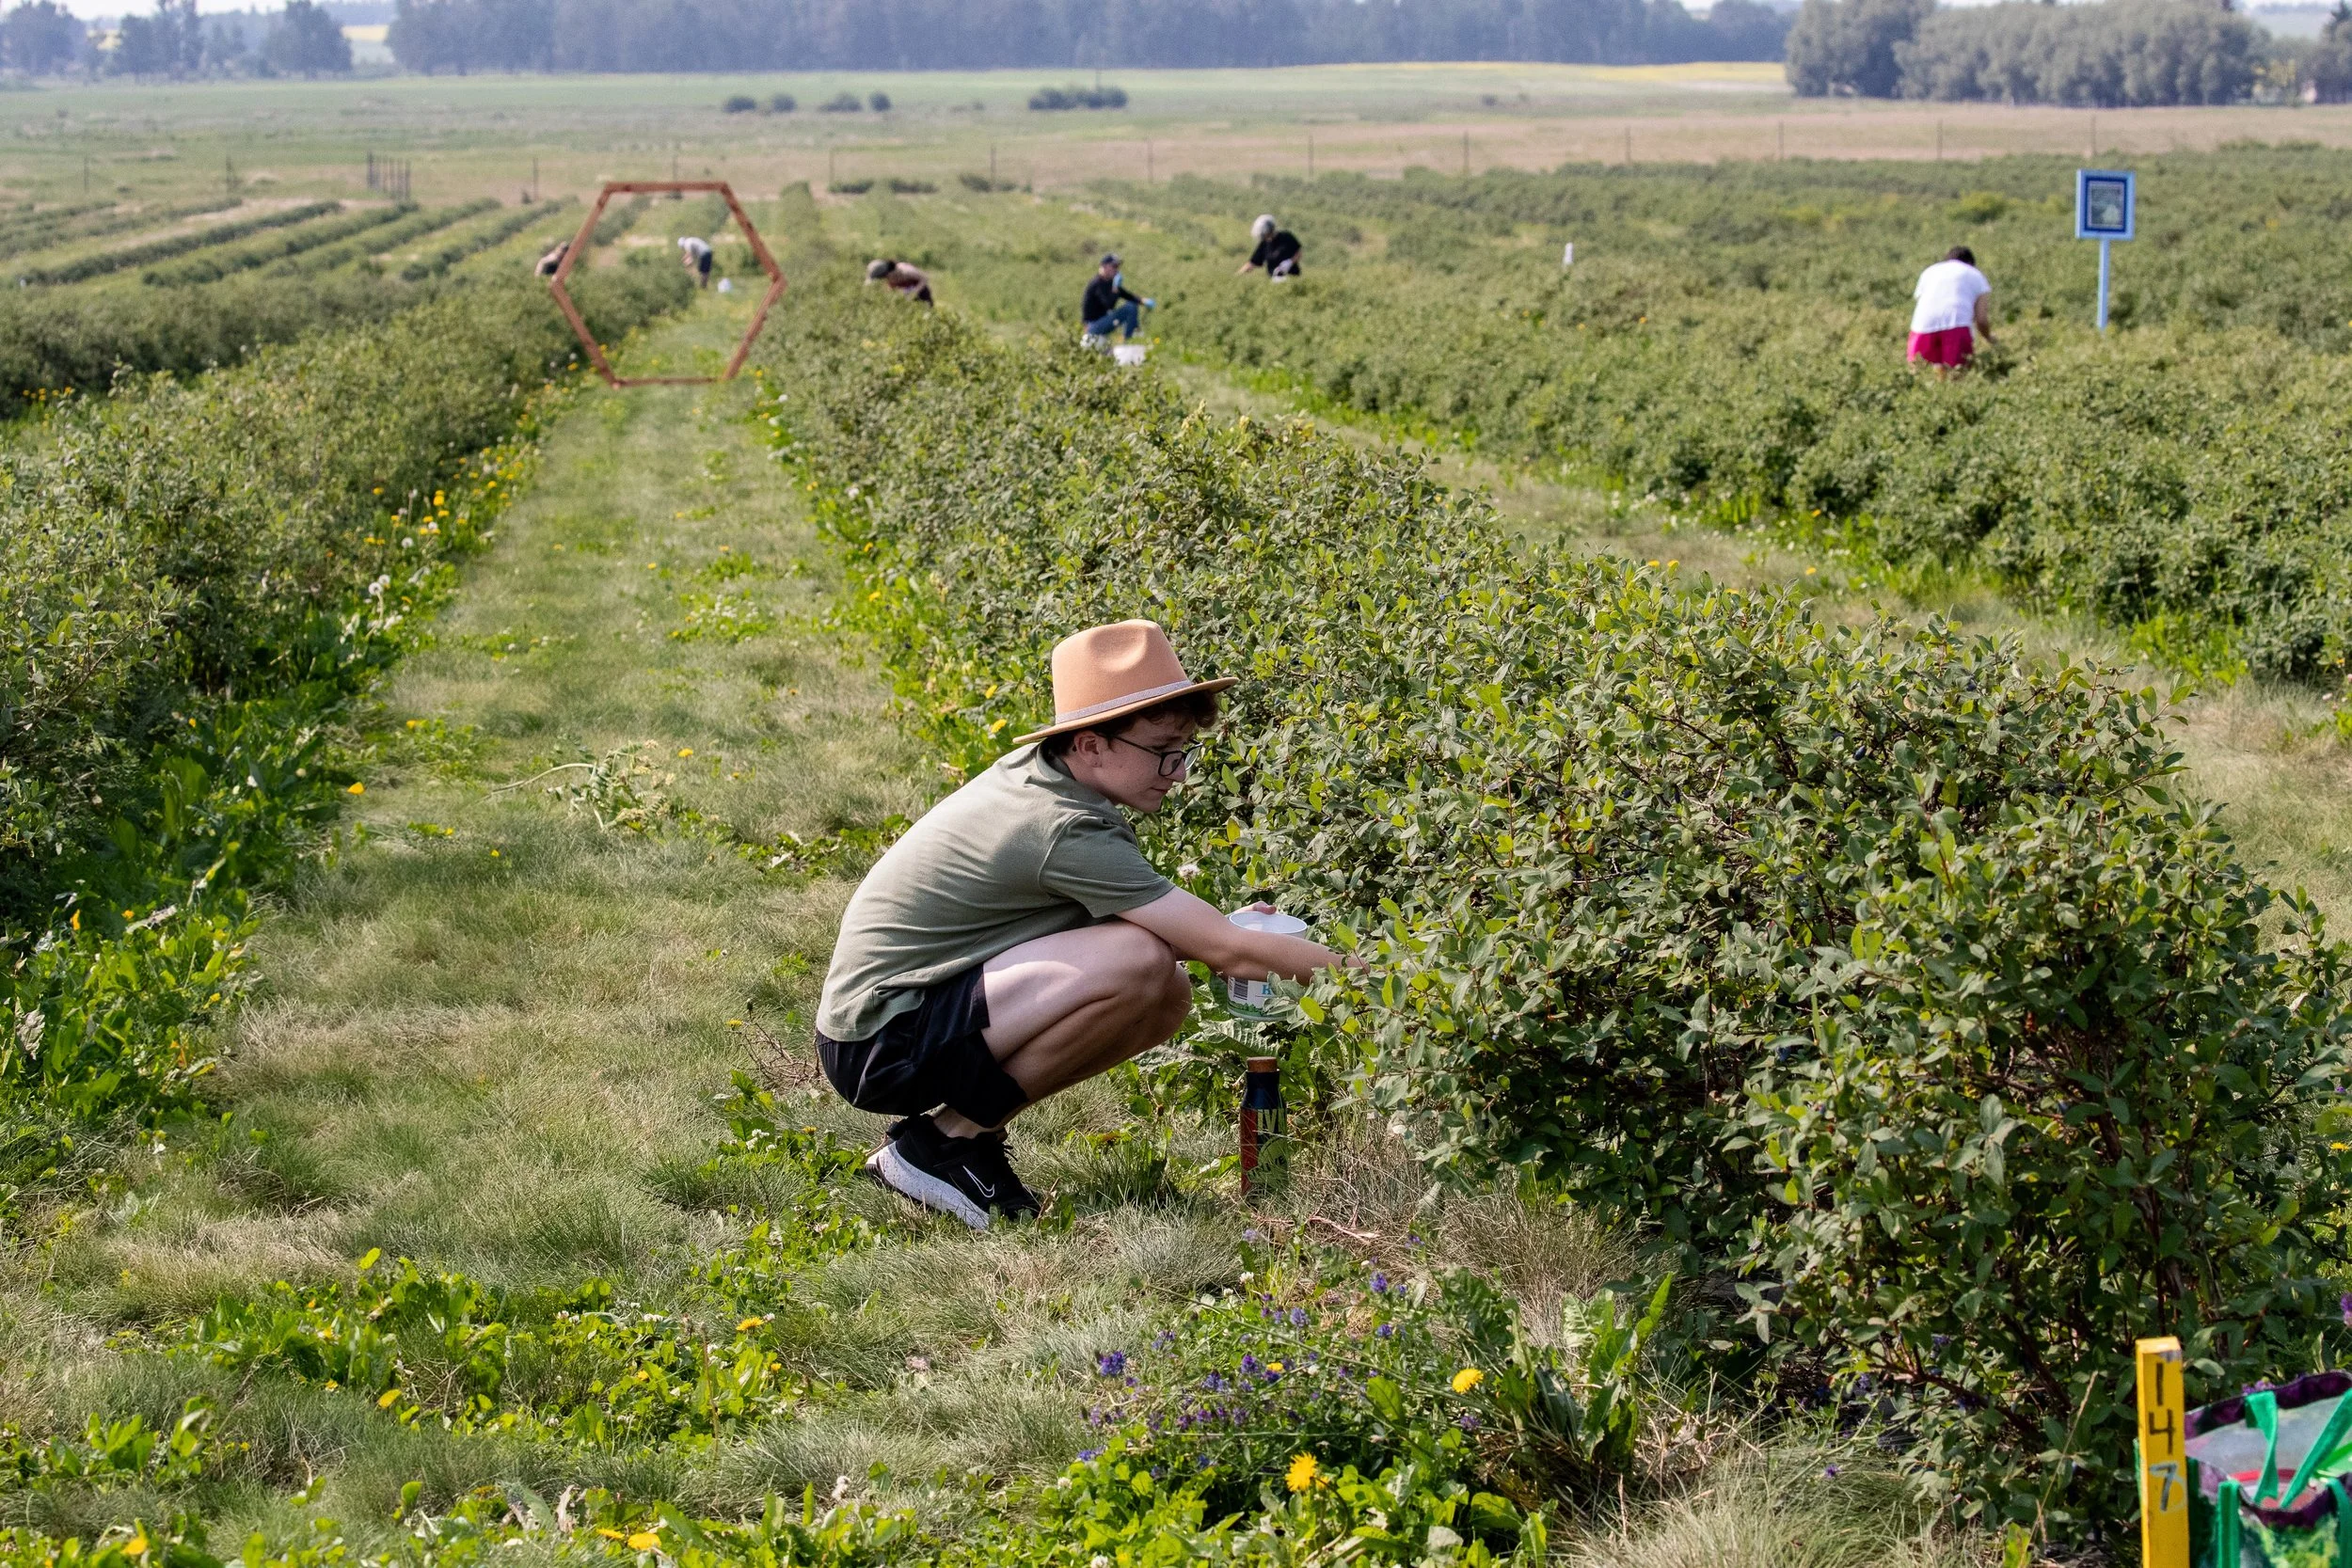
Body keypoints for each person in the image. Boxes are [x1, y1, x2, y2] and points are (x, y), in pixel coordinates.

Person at [813, 619, 1357, 1229]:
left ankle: (961, 1136)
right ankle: (942, 1146)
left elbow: (1188, 933)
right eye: (1163, 749)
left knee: (1166, 991)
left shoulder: (1046, 775)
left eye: (1183, 749)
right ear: (1092, 744)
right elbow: (1228, 952)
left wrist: (1230, 935)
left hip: (902, 1015)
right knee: (1141, 961)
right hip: (880, 1040)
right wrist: (1382, 980)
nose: (1178, 771)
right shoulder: (1063, 825)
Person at [1909, 245, 1995, 374]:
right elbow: (1981, 320)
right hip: (1957, 325)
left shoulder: (1929, 272)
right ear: (1970, 263)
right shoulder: (1976, 275)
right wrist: (1989, 338)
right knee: (1956, 376)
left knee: (1921, 376)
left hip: (1921, 327)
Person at [1080, 252, 1152, 343]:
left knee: (1131, 305)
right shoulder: (1097, 283)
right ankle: (1129, 339)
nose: (1116, 270)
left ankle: (1133, 334)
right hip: (1093, 327)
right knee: (1130, 308)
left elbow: (1127, 296)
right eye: (1114, 266)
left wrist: (1143, 301)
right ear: (1104, 266)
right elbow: (1109, 304)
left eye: (1117, 267)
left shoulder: (1109, 282)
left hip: (1100, 323)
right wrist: (1115, 288)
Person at [1237, 214, 1302, 279]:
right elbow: (1252, 263)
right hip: (1274, 279)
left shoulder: (1286, 237)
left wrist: (1290, 262)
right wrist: (1238, 275)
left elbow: (1298, 252)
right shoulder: (1264, 244)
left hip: (1292, 276)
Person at [865, 257, 934, 305]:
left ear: (890, 272)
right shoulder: (889, 278)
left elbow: (924, 278)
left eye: (885, 277)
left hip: (921, 295)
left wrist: (915, 292)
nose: (886, 279)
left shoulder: (906, 271)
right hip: (907, 298)